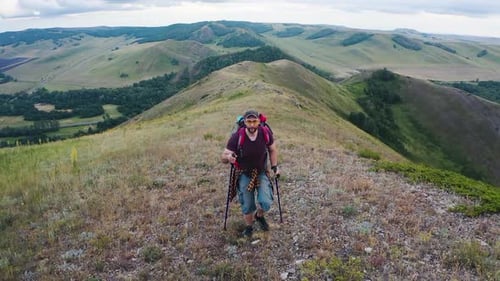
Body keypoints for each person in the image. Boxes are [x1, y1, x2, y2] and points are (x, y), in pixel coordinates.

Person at [221, 110, 280, 237]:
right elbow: (223, 157)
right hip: (244, 173)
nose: (252, 125)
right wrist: (229, 157)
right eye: (249, 122)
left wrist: (274, 166)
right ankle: (249, 226)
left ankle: (259, 216)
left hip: (261, 172)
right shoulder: (238, 136)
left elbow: (272, 149)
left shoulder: (265, 133)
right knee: (247, 204)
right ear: (244, 122)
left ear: (259, 122)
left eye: (255, 122)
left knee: (266, 202)